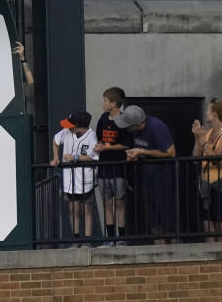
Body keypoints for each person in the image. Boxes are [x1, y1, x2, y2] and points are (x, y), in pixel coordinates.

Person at [116, 105, 177, 243]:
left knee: (165, 216)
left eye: (128, 125)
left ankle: (173, 247)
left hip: (163, 178)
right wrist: (134, 155)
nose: (126, 128)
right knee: (153, 218)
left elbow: (171, 152)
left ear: (137, 124)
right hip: (147, 178)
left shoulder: (156, 126)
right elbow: (139, 148)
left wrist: (142, 152)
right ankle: (158, 247)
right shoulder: (135, 132)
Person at [50, 111, 99, 244]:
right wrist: (55, 157)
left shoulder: (91, 135)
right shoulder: (66, 131)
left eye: (72, 125)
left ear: (80, 126)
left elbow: (93, 157)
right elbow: (55, 140)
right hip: (69, 178)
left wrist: (75, 157)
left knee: (87, 209)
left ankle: (87, 240)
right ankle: (76, 239)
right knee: (72, 209)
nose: (69, 127)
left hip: (85, 178)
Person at [93, 87, 132, 245]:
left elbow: (127, 144)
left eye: (105, 101)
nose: (103, 103)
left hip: (118, 168)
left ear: (114, 103)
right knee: (107, 203)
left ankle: (121, 238)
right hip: (104, 167)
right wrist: (99, 146)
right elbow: (99, 138)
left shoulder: (124, 121)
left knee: (119, 203)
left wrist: (109, 147)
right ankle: (110, 238)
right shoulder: (103, 118)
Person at [192, 98, 222, 239]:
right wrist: (197, 137)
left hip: (219, 183)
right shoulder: (208, 133)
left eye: (208, 110)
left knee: (219, 222)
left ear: (215, 113)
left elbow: (216, 159)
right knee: (208, 223)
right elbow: (196, 156)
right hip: (206, 183)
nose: (206, 112)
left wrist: (203, 142)